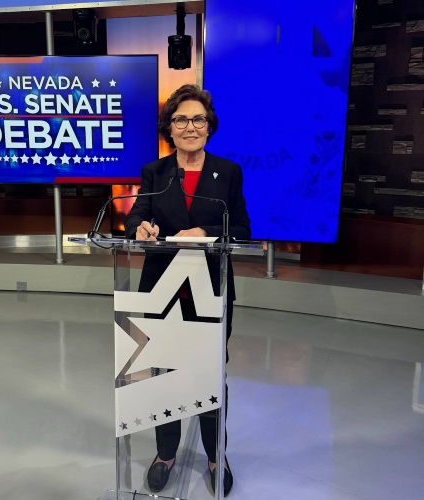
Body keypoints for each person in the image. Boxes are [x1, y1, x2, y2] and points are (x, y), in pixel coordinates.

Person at [124, 83, 251, 497]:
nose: (190, 126)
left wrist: (205, 231)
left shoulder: (228, 172)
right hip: (162, 288)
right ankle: (166, 454)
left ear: (209, 126)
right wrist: (139, 227)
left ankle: (216, 455)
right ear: (170, 128)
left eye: (198, 119)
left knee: (211, 371)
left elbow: (243, 229)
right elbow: (137, 216)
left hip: (210, 288)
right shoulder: (155, 173)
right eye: (181, 120)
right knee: (164, 370)